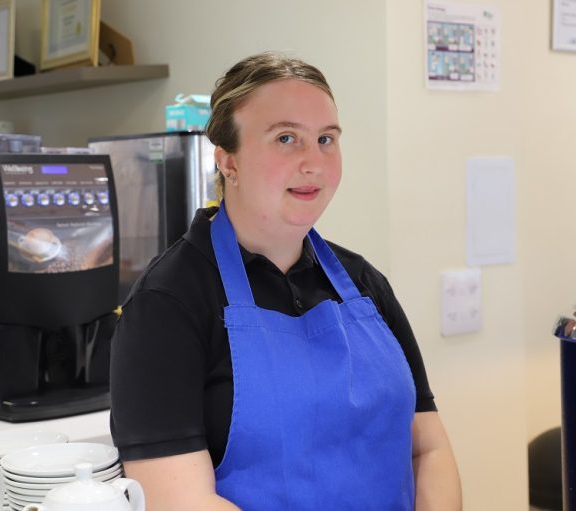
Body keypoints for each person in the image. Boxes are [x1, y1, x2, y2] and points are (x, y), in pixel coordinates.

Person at [109, 52, 462, 510]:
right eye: (286, 138)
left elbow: (427, 448)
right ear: (228, 161)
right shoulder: (167, 304)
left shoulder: (364, 284)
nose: (313, 161)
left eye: (326, 139)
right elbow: (179, 500)